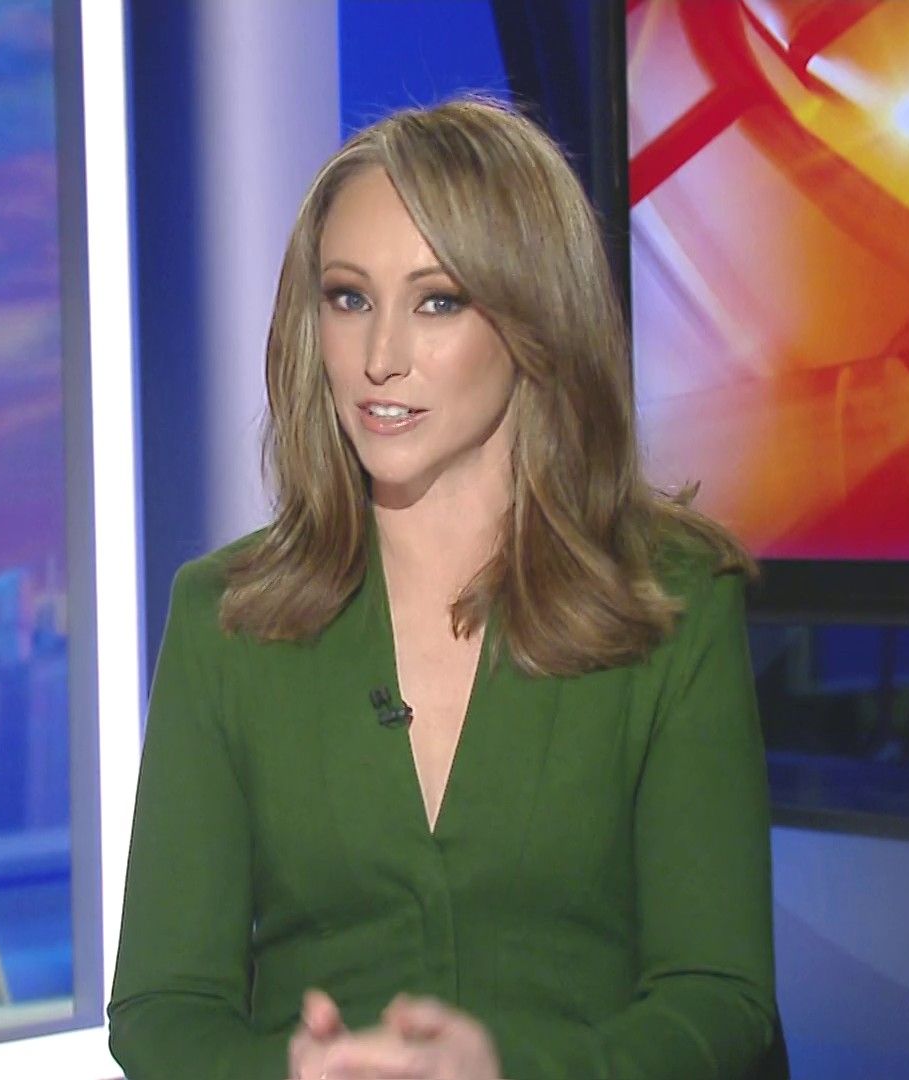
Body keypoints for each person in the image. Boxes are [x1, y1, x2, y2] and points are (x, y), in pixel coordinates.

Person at [108, 97, 783, 1079]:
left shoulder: (672, 601)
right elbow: (163, 1009)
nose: (381, 357)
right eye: (348, 298)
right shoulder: (228, 616)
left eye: (437, 301)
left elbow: (719, 997)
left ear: (534, 317)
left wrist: (510, 1075)